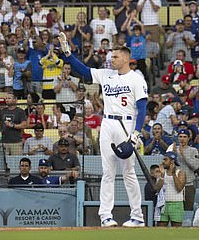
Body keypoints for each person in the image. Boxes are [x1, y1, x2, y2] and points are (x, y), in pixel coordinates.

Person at [58, 33, 147, 227]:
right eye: (111, 57)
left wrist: (135, 136)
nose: (111, 59)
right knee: (108, 172)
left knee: (129, 172)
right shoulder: (106, 75)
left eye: (115, 57)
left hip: (127, 124)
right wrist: (67, 53)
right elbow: (82, 69)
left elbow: (142, 109)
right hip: (107, 124)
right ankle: (106, 215)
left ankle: (137, 216)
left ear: (125, 57)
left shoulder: (136, 79)